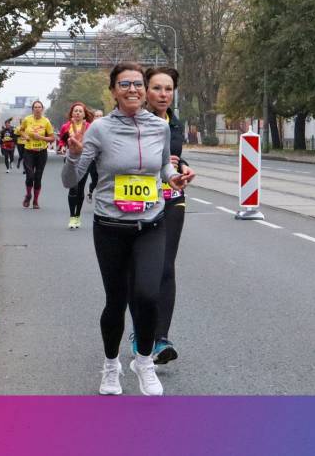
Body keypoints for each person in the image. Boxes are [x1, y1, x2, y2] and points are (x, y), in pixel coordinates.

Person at [62, 62, 190, 396]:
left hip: (151, 223)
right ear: (113, 91)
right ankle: (110, 366)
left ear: (144, 90)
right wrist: (73, 156)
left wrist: (174, 178)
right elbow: (70, 180)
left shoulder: (159, 127)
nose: (132, 89)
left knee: (148, 296)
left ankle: (144, 362)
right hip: (110, 227)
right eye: (124, 84)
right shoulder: (100, 129)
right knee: (116, 301)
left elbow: (162, 167)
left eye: (137, 84)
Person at [138, 67, 195, 364]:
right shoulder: (133, 120)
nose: (163, 95)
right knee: (140, 271)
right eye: (157, 88)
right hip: (139, 200)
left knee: (165, 267)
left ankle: (160, 339)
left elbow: (172, 157)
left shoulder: (174, 122)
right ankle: (140, 330)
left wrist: (181, 166)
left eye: (169, 89)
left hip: (172, 197)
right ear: (145, 90)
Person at [58, 102, 94, 229]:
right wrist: (62, 147)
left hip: (85, 159)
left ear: (84, 114)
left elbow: (94, 142)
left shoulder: (90, 127)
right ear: (72, 113)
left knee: (80, 187)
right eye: (75, 111)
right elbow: (62, 140)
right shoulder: (66, 126)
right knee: (73, 187)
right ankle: (72, 217)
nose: (77, 113)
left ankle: (78, 215)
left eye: (80, 111)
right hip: (71, 159)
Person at [20, 101, 55, 208]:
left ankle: (35, 201)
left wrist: (41, 137)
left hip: (41, 152)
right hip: (29, 151)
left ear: (42, 109)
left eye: (39, 107)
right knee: (30, 176)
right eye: (35, 107)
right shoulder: (27, 119)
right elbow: (21, 130)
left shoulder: (46, 122)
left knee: (38, 177)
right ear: (32, 109)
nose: (37, 109)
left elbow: (52, 138)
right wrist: (25, 136)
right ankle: (28, 195)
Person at [86, 110, 103, 202]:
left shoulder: (107, 128)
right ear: (93, 118)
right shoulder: (89, 128)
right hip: (92, 159)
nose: (99, 118)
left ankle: (102, 199)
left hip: (104, 159)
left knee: (104, 179)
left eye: (100, 116)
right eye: (97, 116)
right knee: (95, 179)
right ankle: (90, 190)